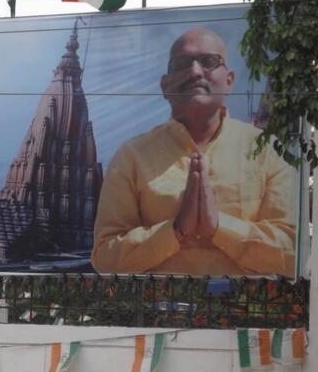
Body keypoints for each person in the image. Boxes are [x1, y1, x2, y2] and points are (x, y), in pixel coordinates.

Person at [91, 27, 296, 276]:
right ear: (165, 85)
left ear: (229, 81)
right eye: (182, 64)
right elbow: (105, 257)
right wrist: (175, 230)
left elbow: (292, 253)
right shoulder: (132, 156)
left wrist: (220, 227)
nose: (195, 72)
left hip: (244, 302)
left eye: (209, 61)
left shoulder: (266, 151)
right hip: (158, 302)